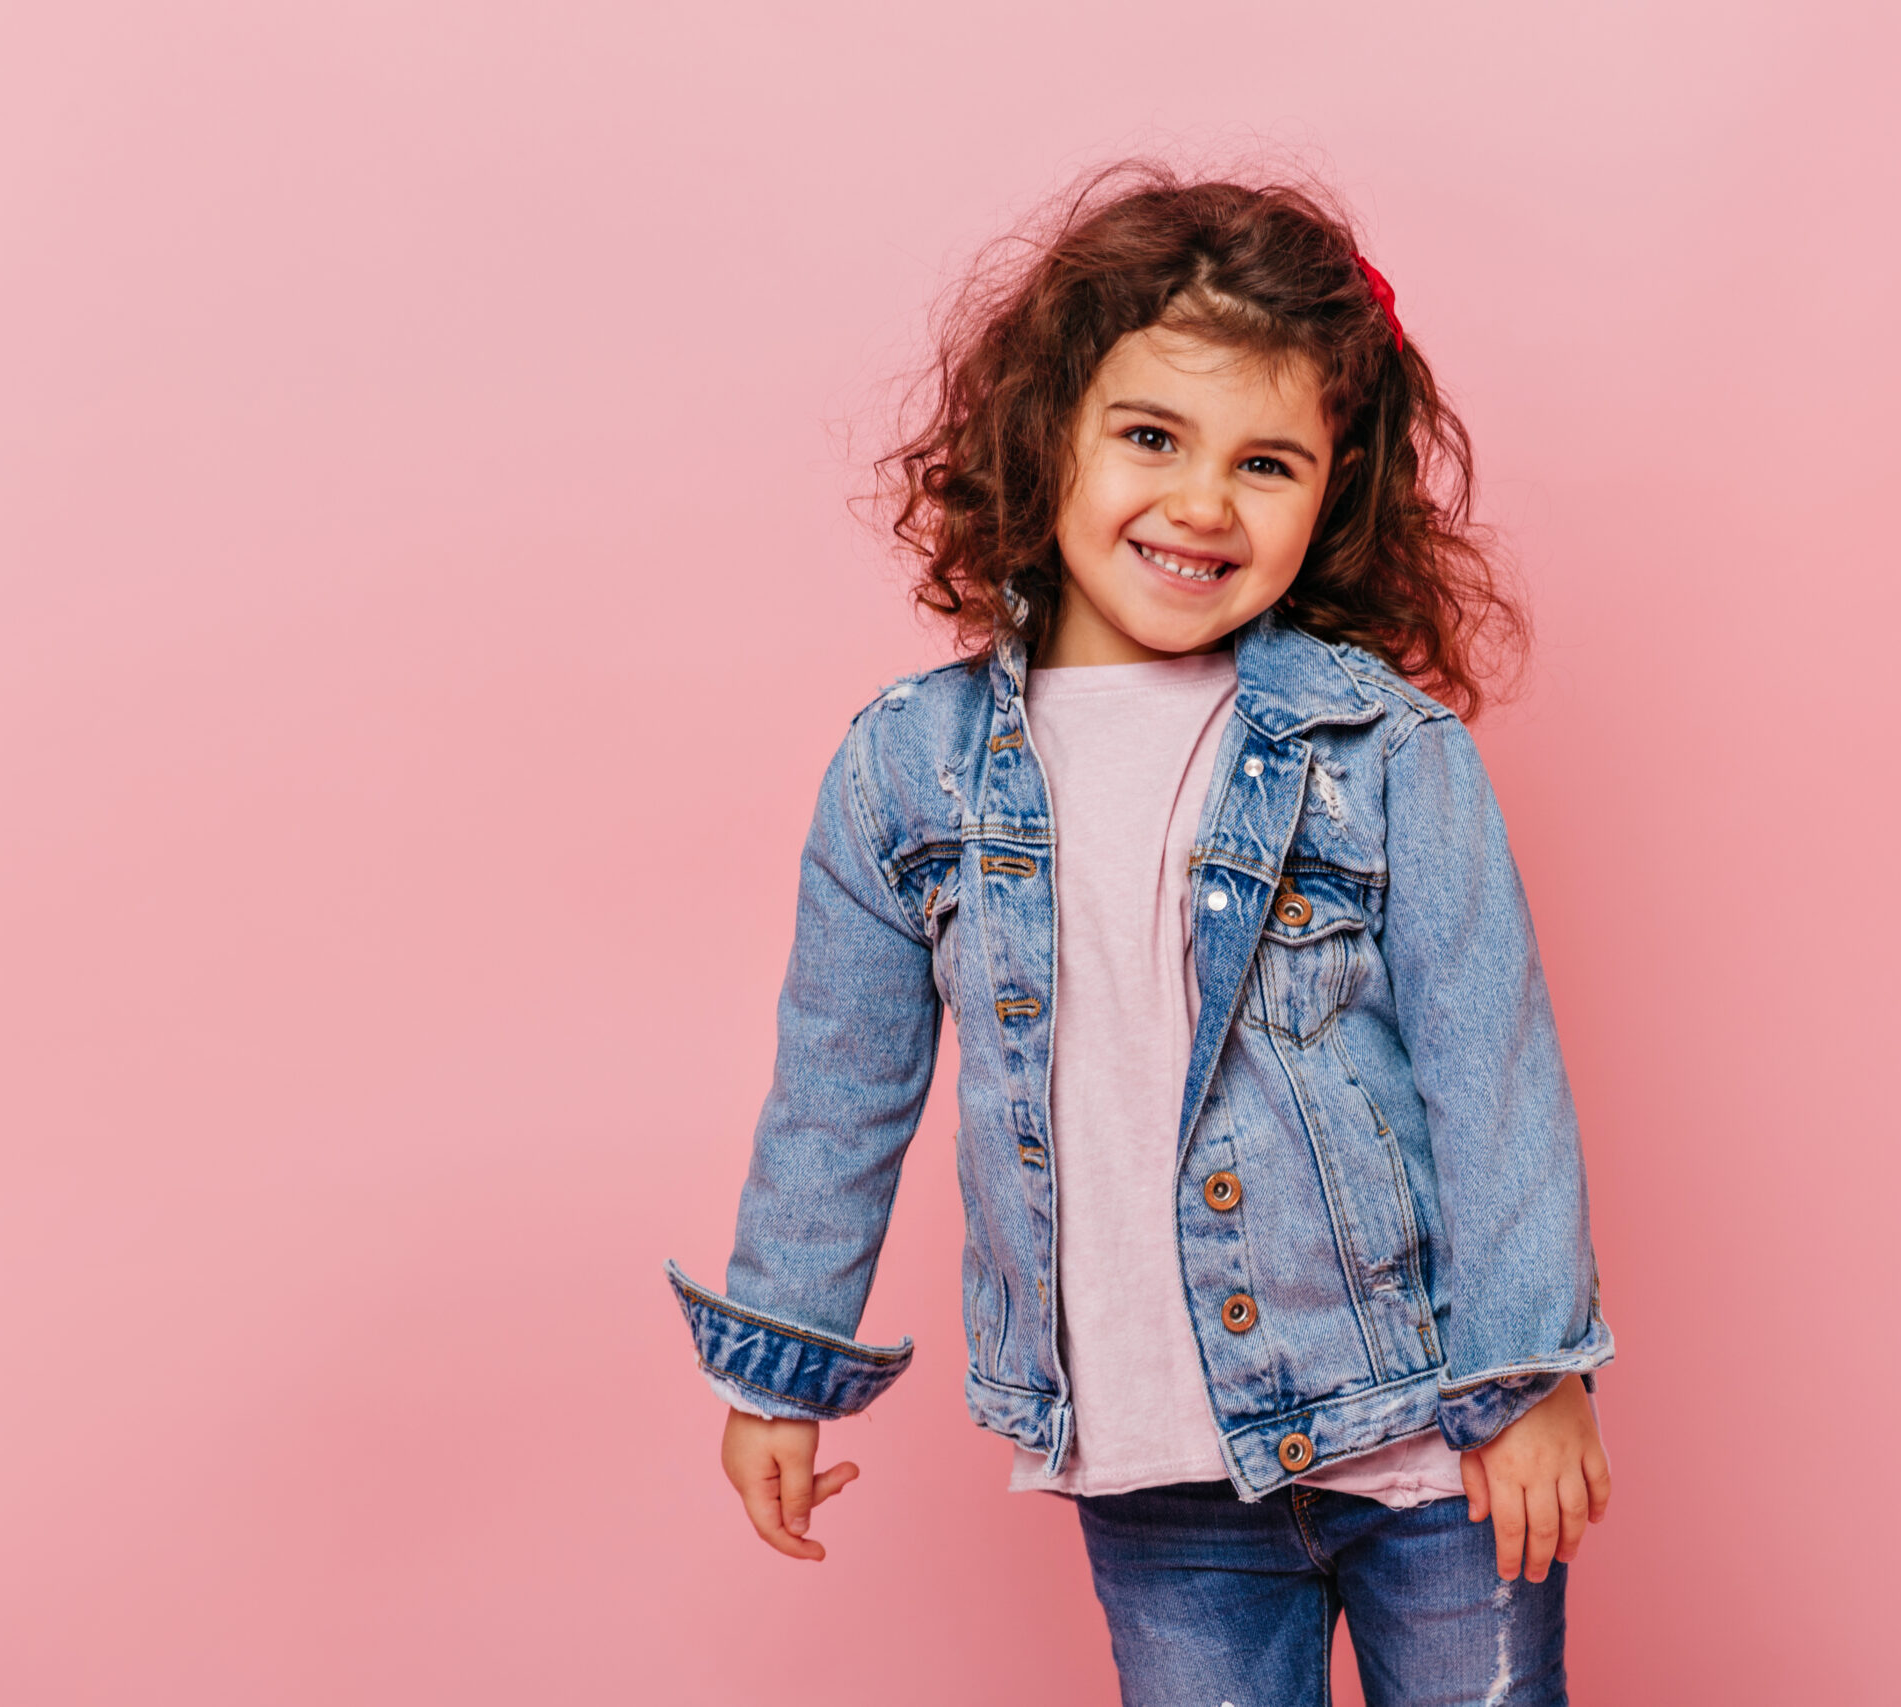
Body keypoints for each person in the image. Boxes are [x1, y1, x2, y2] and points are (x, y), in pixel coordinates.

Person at [666, 164, 1614, 1705]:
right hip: (1154, 1466)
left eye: (1267, 462)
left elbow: (1491, 1072)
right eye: (1153, 437)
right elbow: (838, 1087)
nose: (1200, 503)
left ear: (1337, 489)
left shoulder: (1384, 755)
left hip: (1430, 1434)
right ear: (1048, 433)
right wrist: (781, 1367)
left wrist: (1534, 1377)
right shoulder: (907, 775)